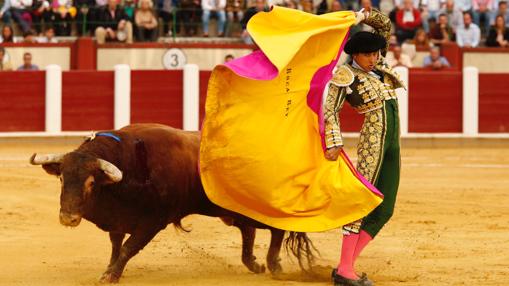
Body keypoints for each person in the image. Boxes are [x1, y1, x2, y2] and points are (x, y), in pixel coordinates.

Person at [325, 7, 404, 286]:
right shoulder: (345, 75)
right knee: (362, 203)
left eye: (376, 53)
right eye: (368, 54)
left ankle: (345, 266)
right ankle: (346, 270)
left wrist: (362, 16)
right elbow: (330, 111)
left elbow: (383, 26)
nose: (374, 58)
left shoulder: (379, 67)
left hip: (393, 145)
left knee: (385, 207)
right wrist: (334, 141)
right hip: (373, 143)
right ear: (355, 54)